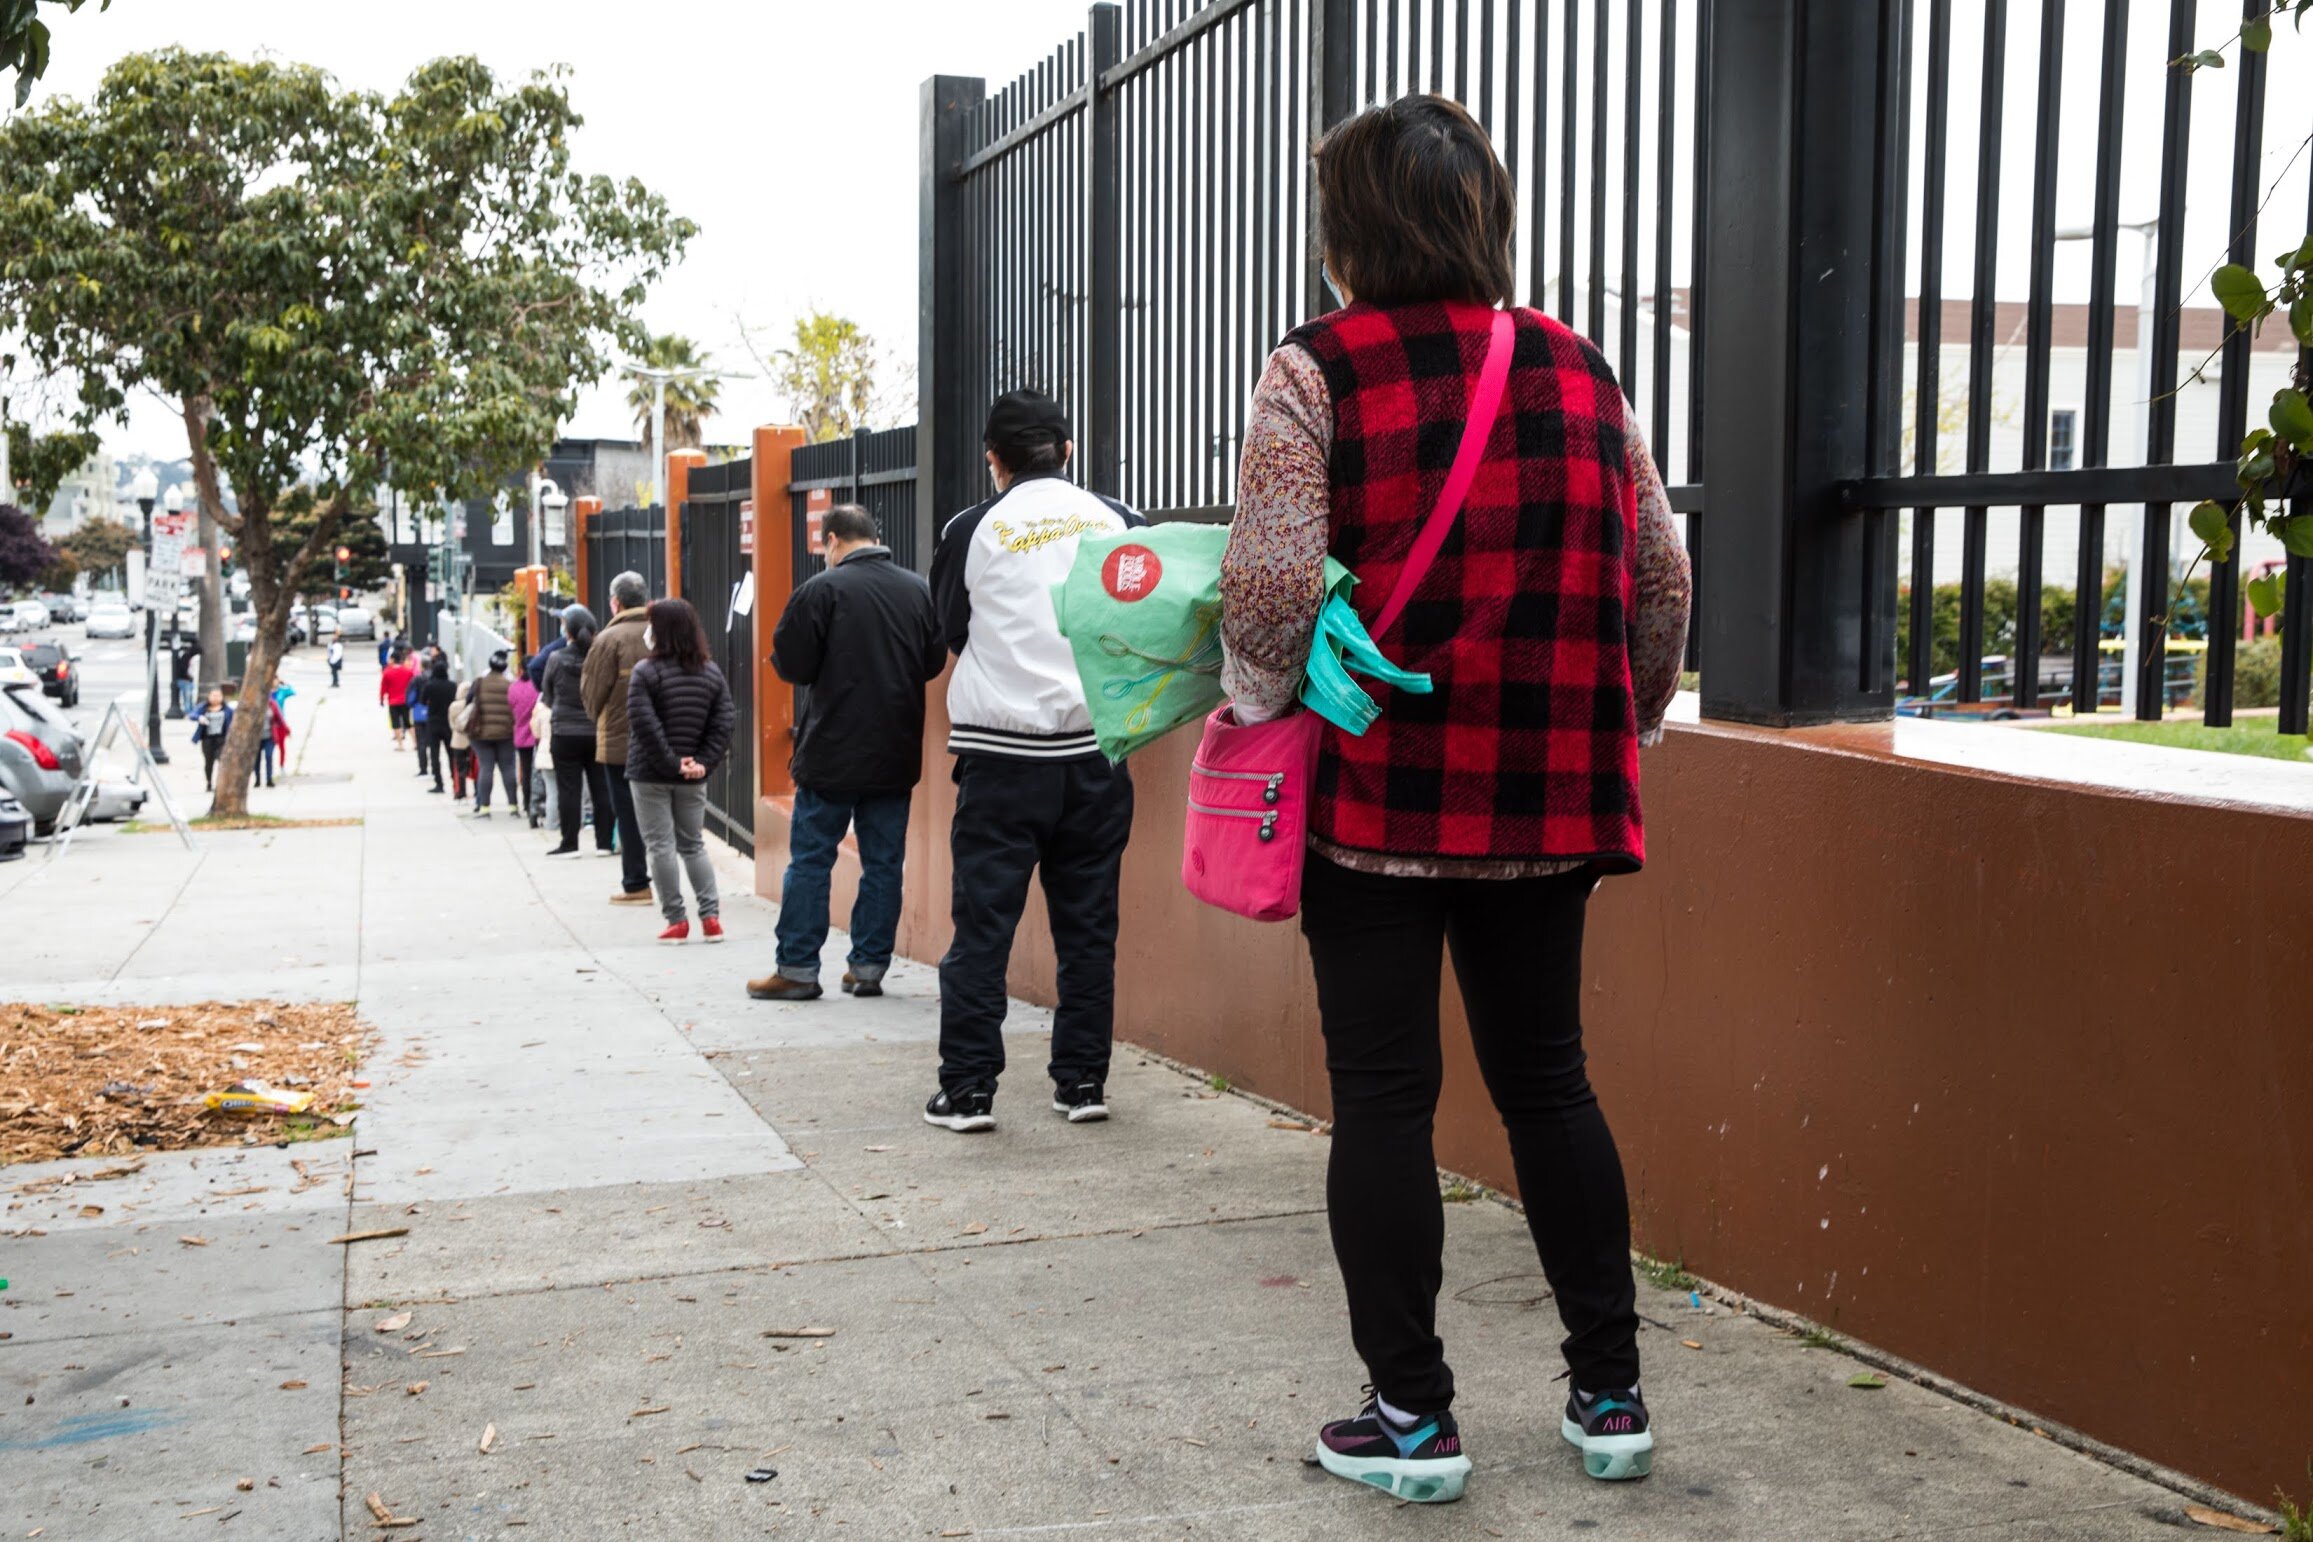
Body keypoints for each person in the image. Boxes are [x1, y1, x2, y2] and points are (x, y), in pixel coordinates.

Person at [1215, 97, 1692, 1502]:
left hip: (1375, 794)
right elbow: (1658, 579)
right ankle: (1609, 1396)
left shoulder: (1313, 372)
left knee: (1384, 1098)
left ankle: (1412, 1418)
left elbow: (1270, 583)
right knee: (1550, 1077)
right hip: (1546, 790)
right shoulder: (1578, 366)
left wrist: (1257, 703)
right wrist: (1631, 715)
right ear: (1484, 216)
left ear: (1346, 229)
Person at [923, 389, 1143, 1134]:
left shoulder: (970, 528)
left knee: (982, 929)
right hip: (1095, 755)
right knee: (1088, 929)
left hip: (1001, 758)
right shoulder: (1118, 520)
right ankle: (1082, 1083)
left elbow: (950, 628)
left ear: (994, 460)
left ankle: (969, 1091)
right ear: (1067, 451)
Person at [750, 504, 946, 1003]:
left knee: (811, 860)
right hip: (894, 753)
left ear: (832, 540)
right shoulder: (916, 590)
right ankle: (868, 968)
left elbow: (791, 663)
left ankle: (796, 969)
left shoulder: (822, 591)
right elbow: (930, 661)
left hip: (831, 753)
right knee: (884, 863)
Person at [624, 598, 736, 944]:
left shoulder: (646, 672)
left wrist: (672, 763)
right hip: (693, 776)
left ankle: (676, 920)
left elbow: (644, 724)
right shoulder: (711, 672)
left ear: (660, 631)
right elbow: (724, 721)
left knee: (660, 845)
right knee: (693, 844)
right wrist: (701, 761)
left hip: (650, 774)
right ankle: (711, 917)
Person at [581, 570, 656, 906]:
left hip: (619, 743)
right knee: (665, 814)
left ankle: (636, 882)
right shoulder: (664, 632)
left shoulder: (608, 641)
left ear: (615, 603)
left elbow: (591, 695)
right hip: (667, 740)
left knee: (627, 812)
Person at [543, 605, 614, 859]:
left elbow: (548, 694)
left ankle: (570, 843)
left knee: (568, 788)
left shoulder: (556, 659)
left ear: (568, 632)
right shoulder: (601, 657)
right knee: (601, 788)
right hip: (596, 729)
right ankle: (604, 843)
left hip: (564, 730)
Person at [461, 650, 519, 817]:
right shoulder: (510, 685)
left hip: (481, 733)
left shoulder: (479, 683)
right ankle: (513, 806)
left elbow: (468, 702)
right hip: (505, 733)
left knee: (486, 768)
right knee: (508, 768)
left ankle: (484, 807)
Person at [509, 655, 542, 827]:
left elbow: (511, 709)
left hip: (521, 736)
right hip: (539, 735)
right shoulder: (538, 687)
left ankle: (528, 803)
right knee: (540, 774)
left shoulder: (514, 688)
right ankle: (541, 804)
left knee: (526, 773)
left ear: (521, 669)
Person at [417, 655, 457, 794]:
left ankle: (439, 783)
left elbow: (422, 702)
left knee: (435, 755)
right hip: (448, 723)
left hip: (433, 723)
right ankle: (455, 782)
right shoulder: (452, 685)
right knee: (451, 754)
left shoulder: (430, 685)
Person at [190, 685, 232, 792]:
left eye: (218, 695)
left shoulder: (227, 709)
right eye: (213, 695)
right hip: (207, 739)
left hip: (222, 739)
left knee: (222, 761)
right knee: (209, 762)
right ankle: (209, 782)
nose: (216, 698)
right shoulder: (203, 708)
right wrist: (199, 717)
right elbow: (192, 715)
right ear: (209, 697)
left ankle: (221, 783)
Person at [381, 648, 416, 750]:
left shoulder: (387, 672)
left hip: (393, 701)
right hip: (405, 701)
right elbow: (413, 686)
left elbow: (383, 688)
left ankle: (400, 745)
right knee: (408, 723)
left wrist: (381, 699)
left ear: (392, 659)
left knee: (396, 724)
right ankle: (415, 743)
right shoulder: (408, 672)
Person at [172, 639, 199, 717]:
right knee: (187, 697)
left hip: (186, 680)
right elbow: (184, 669)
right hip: (184, 680)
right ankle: (188, 712)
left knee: (189, 697)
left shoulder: (188, 657)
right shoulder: (187, 656)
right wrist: (189, 676)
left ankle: (191, 712)